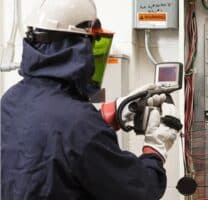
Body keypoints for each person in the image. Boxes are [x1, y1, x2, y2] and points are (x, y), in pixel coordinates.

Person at [1, 0, 181, 199]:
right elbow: (140, 190)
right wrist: (156, 148)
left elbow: (53, 140)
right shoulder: (81, 124)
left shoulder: (10, 101)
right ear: (78, 46)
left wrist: (111, 112)